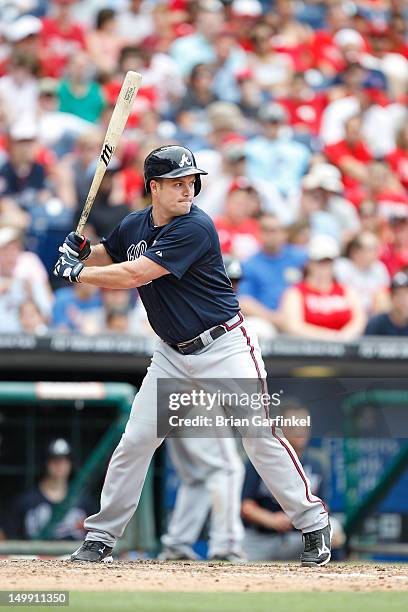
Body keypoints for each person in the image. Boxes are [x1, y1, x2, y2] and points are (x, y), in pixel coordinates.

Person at [53, 144, 331, 566]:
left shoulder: (196, 227)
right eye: (177, 183)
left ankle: (313, 524)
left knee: (257, 435)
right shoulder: (134, 223)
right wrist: (82, 250)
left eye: (191, 182)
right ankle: (100, 538)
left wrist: (78, 272)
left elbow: (135, 273)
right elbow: (112, 254)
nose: (188, 190)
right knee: (136, 441)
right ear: (154, 187)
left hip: (225, 346)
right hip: (171, 354)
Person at [159, 256, 246, 562]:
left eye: (236, 283)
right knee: (227, 468)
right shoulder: (206, 309)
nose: (231, 288)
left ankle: (178, 543)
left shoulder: (184, 300)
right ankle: (226, 544)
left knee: (196, 475)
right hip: (192, 391)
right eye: (229, 281)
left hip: (168, 391)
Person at [241, 401, 343, 561]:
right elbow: (245, 507)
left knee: (333, 529)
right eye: (294, 425)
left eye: (303, 426)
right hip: (260, 538)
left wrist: (297, 519)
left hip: (299, 539)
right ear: (281, 428)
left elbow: (324, 508)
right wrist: (272, 520)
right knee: (235, 561)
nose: (299, 431)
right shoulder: (260, 460)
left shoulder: (316, 464)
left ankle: (329, 583)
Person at [280, 235, 366, 341]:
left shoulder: (347, 291)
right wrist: (331, 337)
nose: (324, 266)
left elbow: (359, 320)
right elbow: (294, 326)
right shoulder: (295, 293)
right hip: (308, 350)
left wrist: (345, 336)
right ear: (309, 263)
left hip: (345, 349)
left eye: (329, 261)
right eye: (320, 261)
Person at [5, 439, 94, 540]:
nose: (60, 465)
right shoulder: (26, 501)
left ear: (70, 463)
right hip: (36, 555)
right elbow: (7, 536)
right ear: (46, 463)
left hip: (76, 555)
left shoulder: (84, 501)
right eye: (55, 460)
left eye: (64, 460)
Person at [365, 271, 408, 336]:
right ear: (391, 298)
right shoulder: (376, 323)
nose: (402, 299)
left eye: (406, 294)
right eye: (398, 294)